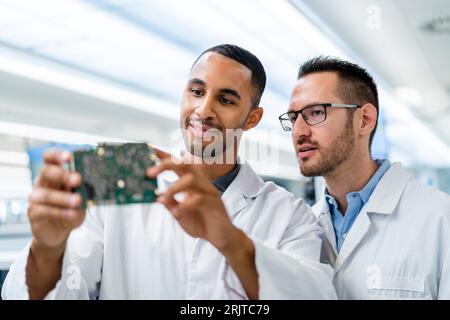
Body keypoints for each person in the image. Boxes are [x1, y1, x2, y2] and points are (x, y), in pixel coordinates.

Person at [2, 45, 336, 300]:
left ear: (252, 118)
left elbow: (313, 293)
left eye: (226, 99)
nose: (203, 110)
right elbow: (62, 289)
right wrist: (47, 248)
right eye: (196, 91)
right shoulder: (116, 185)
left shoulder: (290, 215)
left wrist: (230, 241)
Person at [278, 56, 450, 299]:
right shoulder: (300, 228)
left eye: (315, 113)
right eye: (294, 118)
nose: (298, 132)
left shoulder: (440, 218)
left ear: (365, 119)